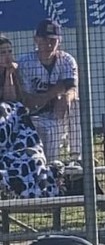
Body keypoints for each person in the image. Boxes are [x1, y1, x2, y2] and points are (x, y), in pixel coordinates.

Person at [16, 20, 78, 164]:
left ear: (59, 41)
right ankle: (49, 166)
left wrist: (66, 97)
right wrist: (54, 92)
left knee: (75, 104)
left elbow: (72, 88)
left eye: (52, 40)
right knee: (48, 152)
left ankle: (77, 157)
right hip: (35, 116)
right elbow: (28, 100)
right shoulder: (25, 62)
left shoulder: (67, 60)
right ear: (36, 39)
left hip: (58, 114)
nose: (48, 44)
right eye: (44, 39)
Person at [1, 35, 27, 104]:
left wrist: (9, 74)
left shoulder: (15, 68)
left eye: (10, 51)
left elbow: (11, 99)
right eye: (3, 52)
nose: (8, 56)